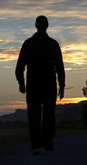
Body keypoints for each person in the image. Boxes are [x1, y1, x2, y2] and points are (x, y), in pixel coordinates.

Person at [15, 16, 65, 155]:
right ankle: (48, 144)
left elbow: (19, 67)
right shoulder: (53, 44)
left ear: (36, 26)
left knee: (33, 115)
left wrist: (21, 83)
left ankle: (35, 145)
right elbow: (60, 67)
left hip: (33, 85)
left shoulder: (28, 43)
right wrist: (62, 85)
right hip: (49, 85)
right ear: (47, 26)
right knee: (49, 114)